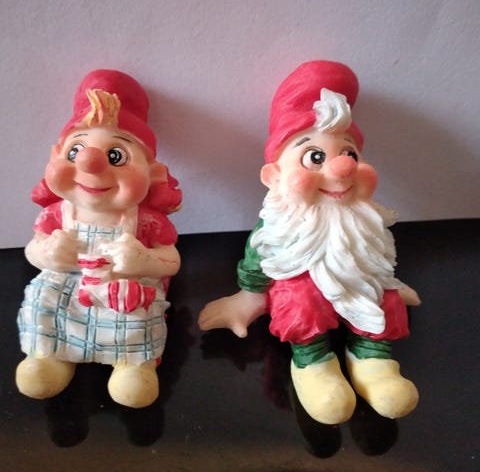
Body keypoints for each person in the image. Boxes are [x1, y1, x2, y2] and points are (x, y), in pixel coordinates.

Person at [199, 60, 420, 424]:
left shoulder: (364, 216)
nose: (342, 169)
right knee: (298, 302)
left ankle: (374, 361)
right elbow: (258, 257)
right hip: (303, 290)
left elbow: (377, 252)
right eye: (315, 157)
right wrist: (250, 296)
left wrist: (389, 282)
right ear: (274, 177)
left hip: (360, 282)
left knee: (383, 301)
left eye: (349, 154)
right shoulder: (277, 224)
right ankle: (314, 365)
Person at [16, 69, 182, 408]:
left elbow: (171, 260)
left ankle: (132, 366)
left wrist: (143, 261)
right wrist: (48, 254)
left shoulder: (146, 221)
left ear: (152, 174)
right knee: (43, 305)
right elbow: (32, 249)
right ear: (56, 155)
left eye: (116, 156)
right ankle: (50, 356)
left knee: (136, 321)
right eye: (75, 151)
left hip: (121, 294)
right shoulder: (57, 214)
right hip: (66, 291)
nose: (90, 164)